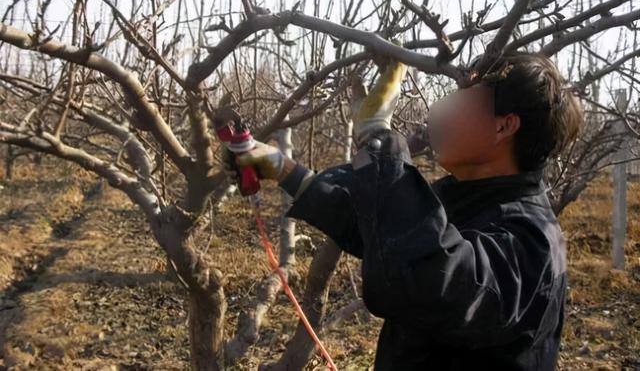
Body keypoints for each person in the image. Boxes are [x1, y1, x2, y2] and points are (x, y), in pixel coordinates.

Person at [226, 51, 583, 370]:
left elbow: (431, 275)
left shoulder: (530, 240)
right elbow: (383, 230)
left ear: (504, 125)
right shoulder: (468, 198)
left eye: (466, 101)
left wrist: (377, 136)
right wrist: (282, 169)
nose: (447, 111)